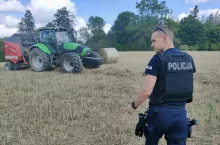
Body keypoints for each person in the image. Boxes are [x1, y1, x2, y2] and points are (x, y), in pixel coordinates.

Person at [126, 24, 196, 145]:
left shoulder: (157, 59)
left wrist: (133, 106)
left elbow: (146, 91)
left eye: (153, 41)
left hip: (159, 114)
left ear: (165, 38)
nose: (152, 45)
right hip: (181, 114)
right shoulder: (188, 58)